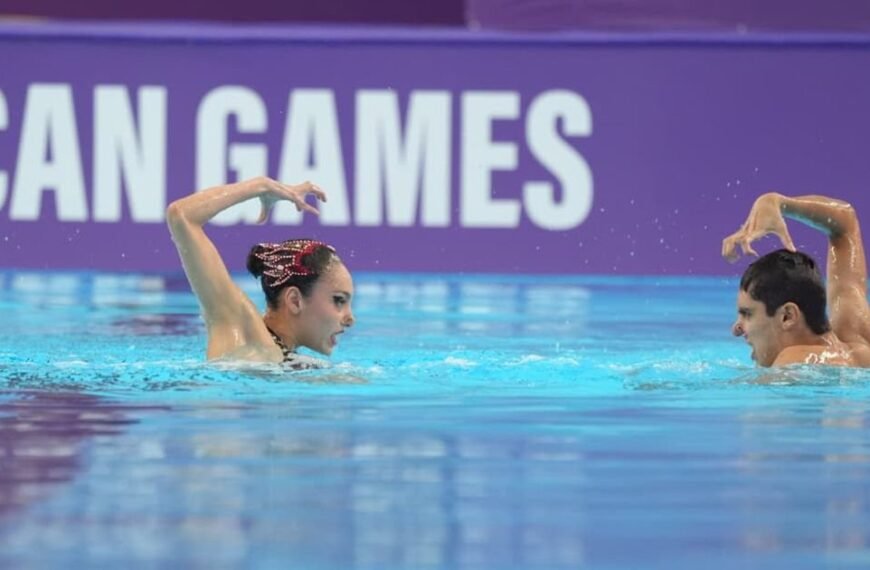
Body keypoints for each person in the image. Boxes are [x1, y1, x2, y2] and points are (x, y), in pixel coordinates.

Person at [166, 176, 355, 368]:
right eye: (338, 300)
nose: (350, 319)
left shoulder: (286, 356)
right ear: (295, 301)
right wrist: (261, 186)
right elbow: (182, 215)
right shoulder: (245, 334)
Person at [722, 192, 870, 367]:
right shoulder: (857, 335)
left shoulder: (793, 361)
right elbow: (846, 224)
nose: (736, 329)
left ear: (787, 316)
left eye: (747, 314)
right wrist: (777, 202)